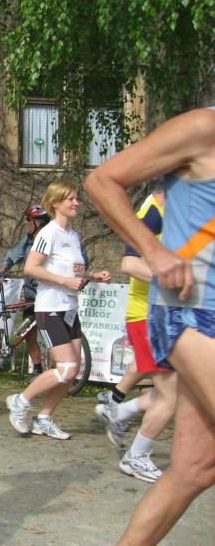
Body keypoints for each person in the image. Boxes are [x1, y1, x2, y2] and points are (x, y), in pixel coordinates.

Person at [84, 107, 215, 545]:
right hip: (190, 311)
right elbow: (102, 181)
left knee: (196, 469)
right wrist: (153, 252)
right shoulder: (204, 127)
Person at [7, 180, 111, 439]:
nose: (76, 203)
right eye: (70, 199)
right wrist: (65, 281)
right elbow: (31, 268)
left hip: (69, 309)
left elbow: (73, 270)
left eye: (76, 198)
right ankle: (20, 401)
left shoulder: (72, 236)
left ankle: (44, 418)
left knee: (71, 372)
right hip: (50, 308)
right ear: (55, 203)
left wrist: (92, 275)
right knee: (66, 368)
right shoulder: (48, 233)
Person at [94, 183, 178, 483]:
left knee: (178, 390)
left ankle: (118, 412)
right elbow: (129, 264)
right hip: (146, 316)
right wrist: (173, 279)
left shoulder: (174, 216)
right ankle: (136, 457)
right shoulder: (152, 213)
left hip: (165, 316)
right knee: (172, 395)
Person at [0, 204, 52, 378]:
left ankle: (56, 374)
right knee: (28, 334)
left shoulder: (52, 239)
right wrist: (2, 270)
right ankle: (38, 370)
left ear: (38, 222)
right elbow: (13, 255)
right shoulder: (27, 240)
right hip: (32, 296)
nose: (25, 223)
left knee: (54, 336)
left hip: (50, 296)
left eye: (28, 219)